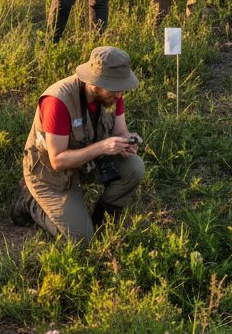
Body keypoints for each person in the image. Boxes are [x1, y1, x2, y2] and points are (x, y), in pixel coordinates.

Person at [12, 46, 144, 246]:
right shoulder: (58, 101)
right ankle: (31, 202)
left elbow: (119, 130)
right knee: (81, 240)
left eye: (122, 87)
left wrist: (127, 140)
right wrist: (102, 147)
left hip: (86, 161)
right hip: (50, 174)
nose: (119, 95)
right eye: (114, 88)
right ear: (94, 82)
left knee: (134, 167)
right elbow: (57, 161)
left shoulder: (114, 93)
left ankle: (102, 220)